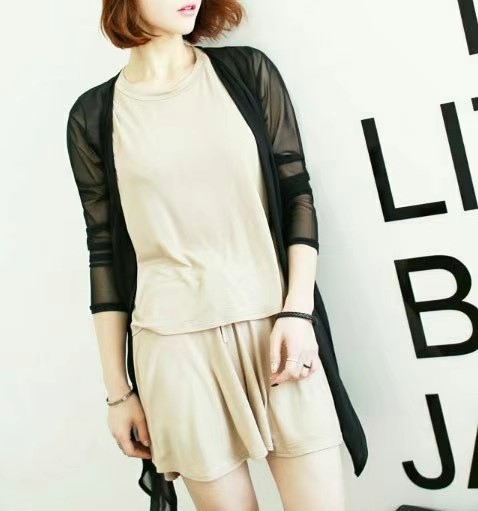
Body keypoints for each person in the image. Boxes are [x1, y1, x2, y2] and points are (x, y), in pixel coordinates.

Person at [66, 1, 368, 510]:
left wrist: (298, 311)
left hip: (276, 331)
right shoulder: (94, 117)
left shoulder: (246, 73)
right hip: (173, 351)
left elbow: (297, 195)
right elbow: (104, 255)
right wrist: (118, 393)